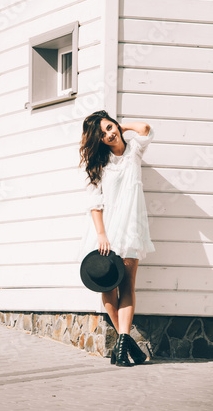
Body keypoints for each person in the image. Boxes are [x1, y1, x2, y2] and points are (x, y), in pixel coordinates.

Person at [79, 110, 155, 366]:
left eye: (109, 128)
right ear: (97, 141)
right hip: (107, 233)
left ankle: (121, 348)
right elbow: (95, 203)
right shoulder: (98, 163)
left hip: (131, 229)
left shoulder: (134, 150)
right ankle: (127, 344)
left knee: (127, 287)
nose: (109, 134)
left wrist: (121, 126)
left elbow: (144, 127)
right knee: (108, 288)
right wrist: (101, 235)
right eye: (102, 134)